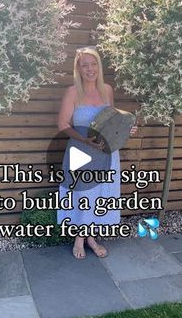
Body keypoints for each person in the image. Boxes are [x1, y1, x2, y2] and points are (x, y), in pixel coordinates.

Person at [57, 47, 137, 259]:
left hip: (106, 153)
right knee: (84, 195)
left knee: (100, 196)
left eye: (93, 64)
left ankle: (90, 237)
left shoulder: (107, 90)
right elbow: (63, 124)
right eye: (85, 65)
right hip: (82, 151)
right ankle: (80, 240)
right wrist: (85, 140)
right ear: (78, 68)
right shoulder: (73, 92)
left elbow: (112, 121)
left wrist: (127, 128)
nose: (90, 69)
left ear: (99, 67)